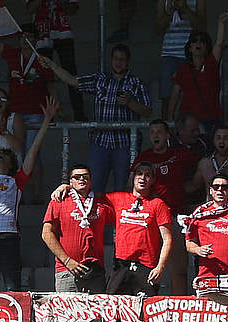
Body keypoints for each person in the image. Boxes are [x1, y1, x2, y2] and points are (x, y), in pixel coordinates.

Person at [0, 98, 59, 291]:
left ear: (12, 163)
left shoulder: (16, 180)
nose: (1, 156)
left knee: (12, 289)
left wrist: (46, 121)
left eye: (6, 155)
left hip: (7, 239)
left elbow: (33, 151)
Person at [44, 44, 152, 192]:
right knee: (93, 187)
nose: (118, 62)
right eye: (115, 58)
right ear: (111, 59)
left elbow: (147, 111)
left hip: (124, 143)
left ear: (127, 62)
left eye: (122, 59)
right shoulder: (100, 79)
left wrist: (130, 103)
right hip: (100, 141)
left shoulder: (136, 83)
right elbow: (72, 80)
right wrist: (51, 65)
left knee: (123, 189)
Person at [104, 163, 174, 295]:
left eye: (147, 175)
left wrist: (160, 267)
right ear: (133, 177)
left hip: (146, 265)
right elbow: (90, 198)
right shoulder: (118, 198)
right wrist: (66, 187)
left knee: (144, 310)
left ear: (153, 180)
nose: (143, 178)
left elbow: (167, 238)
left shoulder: (158, 204)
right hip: (121, 264)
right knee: (114, 308)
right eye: (139, 174)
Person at [43, 164, 110, 293]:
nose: (81, 179)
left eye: (85, 176)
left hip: (95, 272)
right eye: (77, 177)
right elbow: (46, 233)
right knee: (66, 313)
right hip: (67, 271)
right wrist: (67, 261)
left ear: (91, 180)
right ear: (70, 181)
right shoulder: (59, 200)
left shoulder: (102, 202)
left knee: (94, 313)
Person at [184, 172, 228, 281]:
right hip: (207, 276)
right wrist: (198, 249)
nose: (220, 190)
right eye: (216, 187)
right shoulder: (198, 215)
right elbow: (189, 243)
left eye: (224, 187)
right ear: (211, 191)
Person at [133, 119, 199, 212]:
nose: (155, 135)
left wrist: (191, 186)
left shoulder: (180, 153)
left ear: (167, 135)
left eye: (159, 132)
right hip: (152, 211)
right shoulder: (143, 157)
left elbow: (202, 166)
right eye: (152, 132)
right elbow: (131, 184)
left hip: (178, 211)